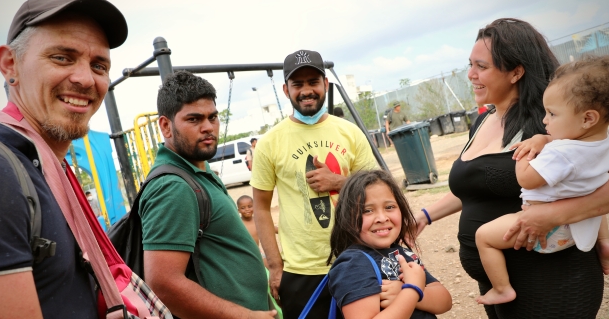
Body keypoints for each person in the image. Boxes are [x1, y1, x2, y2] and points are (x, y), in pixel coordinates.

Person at [414, 18, 609, 318]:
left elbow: (596, 178)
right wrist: (425, 216)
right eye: (470, 64)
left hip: (551, 282)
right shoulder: (482, 121)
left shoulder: (548, 125)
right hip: (500, 286)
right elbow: (478, 186)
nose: (471, 74)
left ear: (516, 71)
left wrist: (556, 216)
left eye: (481, 66)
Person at [0, 0, 128, 318]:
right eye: (62, 58)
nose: (85, 79)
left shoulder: (48, 168)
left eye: (99, 65)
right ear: (10, 65)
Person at [475, 55, 609, 305]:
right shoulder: (602, 141)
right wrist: (544, 138)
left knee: (483, 236)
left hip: (549, 233)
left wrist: (524, 152)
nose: (545, 120)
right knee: (595, 186)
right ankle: (605, 244)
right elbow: (569, 144)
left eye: (552, 114)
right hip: (584, 224)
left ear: (587, 118)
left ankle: (502, 288)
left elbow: (527, 180)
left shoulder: (560, 154)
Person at [251, 49, 378, 318]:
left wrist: (340, 181)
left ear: (325, 85)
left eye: (313, 82)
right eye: (298, 84)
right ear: (286, 90)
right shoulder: (270, 143)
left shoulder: (349, 132)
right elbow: (261, 208)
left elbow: (378, 191)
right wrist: (275, 267)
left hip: (357, 257)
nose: (306, 90)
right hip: (301, 270)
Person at [139, 70, 275, 319]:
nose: (208, 127)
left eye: (213, 117)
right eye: (194, 119)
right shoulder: (173, 187)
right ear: (166, 126)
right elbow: (163, 283)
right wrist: (243, 315)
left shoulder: (198, 172)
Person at [328, 170, 452, 319]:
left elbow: (444, 301)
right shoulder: (352, 264)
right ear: (346, 219)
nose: (382, 218)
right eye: (367, 210)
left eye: (389, 207)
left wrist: (407, 291)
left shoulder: (401, 254)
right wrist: (412, 291)